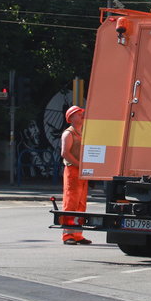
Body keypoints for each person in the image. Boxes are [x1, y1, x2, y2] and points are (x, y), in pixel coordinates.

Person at [61, 105, 91, 245]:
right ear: (71, 118)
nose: (82, 116)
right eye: (79, 114)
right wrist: (80, 165)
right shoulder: (69, 133)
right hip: (73, 171)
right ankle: (68, 235)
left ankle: (77, 234)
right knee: (70, 203)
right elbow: (65, 153)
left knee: (81, 203)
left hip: (81, 172)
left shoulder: (82, 133)